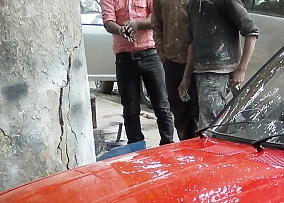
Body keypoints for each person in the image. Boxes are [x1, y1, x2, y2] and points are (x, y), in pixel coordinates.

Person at [100, 0, 175, 145]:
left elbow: (157, 18)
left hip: (151, 55)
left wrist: (137, 25)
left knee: (162, 106)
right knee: (130, 109)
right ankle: (136, 148)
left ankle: (167, 145)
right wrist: (121, 30)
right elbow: (108, 21)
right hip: (124, 59)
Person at [182, 0, 259, 129]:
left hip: (218, 73)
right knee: (211, 125)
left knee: (210, 127)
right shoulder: (193, 4)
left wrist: (241, 69)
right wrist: (186, 77)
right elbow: (193, 43)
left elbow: (251, 32)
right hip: (202, 72)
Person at [151, 0, 199, 140]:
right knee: (180, 117)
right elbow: (157, 25)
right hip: (171, 63)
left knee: (198, 117)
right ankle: (185, 154)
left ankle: (199, 156)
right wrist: (162, 54)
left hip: (196, 65)